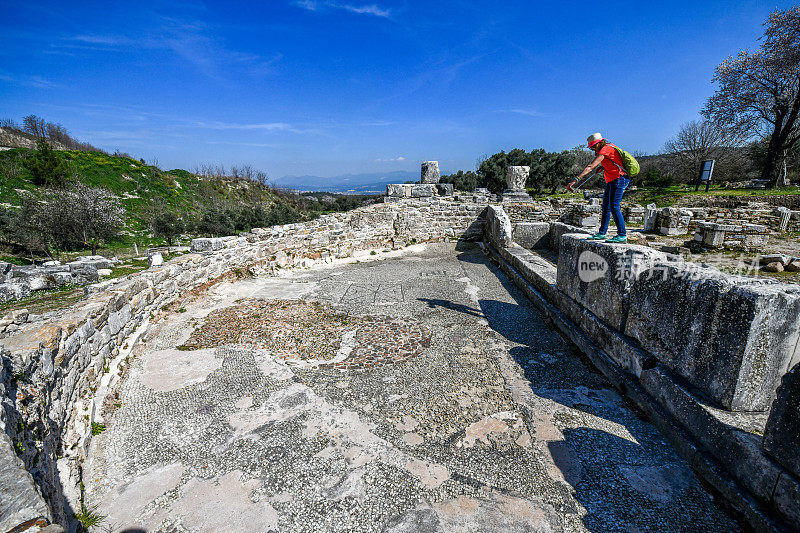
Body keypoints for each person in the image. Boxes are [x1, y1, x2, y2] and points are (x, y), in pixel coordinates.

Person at [568, 132, 630, 243]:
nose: (592, 149)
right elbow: (612, 160)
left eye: (593, 146)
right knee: (606, 207)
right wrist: (602, 166)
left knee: (614, 206)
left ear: (599, 143)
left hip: (619, 179)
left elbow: (590, 167)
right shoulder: (607, 148)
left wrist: (575, 180)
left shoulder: (605, 149)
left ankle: (622, 235)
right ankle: (602, 233)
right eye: (591, 147)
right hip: (612, 180)